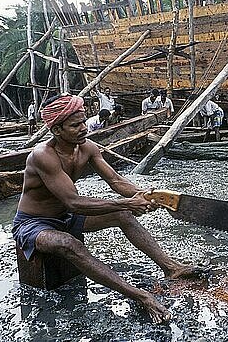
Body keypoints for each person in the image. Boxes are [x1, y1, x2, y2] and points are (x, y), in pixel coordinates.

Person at [12, 94, 206, 325]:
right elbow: (73, 201)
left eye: (84, 121)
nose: (83, 128)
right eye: (75, 125)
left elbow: (116, 181)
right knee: (69, 244)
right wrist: (127, 202)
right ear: (56, 130)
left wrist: (145, 195)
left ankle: (172, 268)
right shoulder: (43, 156)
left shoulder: (87, 147)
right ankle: (140, 296)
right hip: (34, 223)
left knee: (122, 215)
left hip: (66, 217)